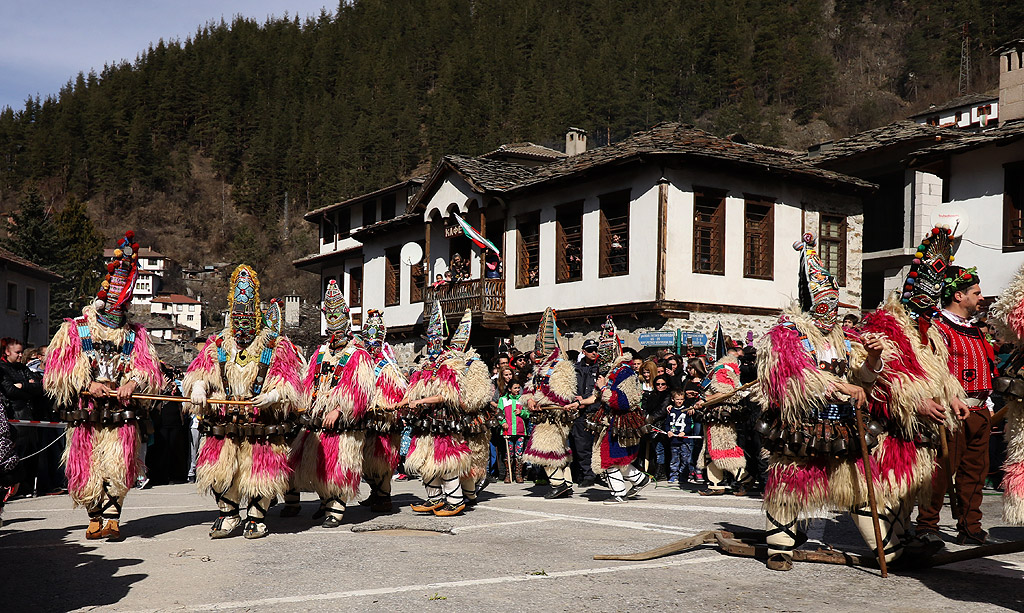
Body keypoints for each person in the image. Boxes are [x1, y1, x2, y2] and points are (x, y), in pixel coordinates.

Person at [756, 233, 884, 571]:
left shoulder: (844, 339)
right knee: (790, 480)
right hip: (800, 422)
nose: (831, 310)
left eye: (834, 302)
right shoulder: (787, 336)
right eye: (825, 302)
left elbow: (862, 381)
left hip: (840, 423)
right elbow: (791, 380)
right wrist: (840, 387)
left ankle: (886, 548)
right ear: (811, 302)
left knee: (855, 484)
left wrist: (871, 361)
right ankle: (780, 546)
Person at [43, 231, 164, 541]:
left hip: (119, 414)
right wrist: (86, 383)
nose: (117, 317)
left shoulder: (136, 334)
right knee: (88, 467)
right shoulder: (74, 330)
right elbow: (56, 370)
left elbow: (149, 368)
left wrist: (134, 382)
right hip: (86, 413)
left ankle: (112, 517)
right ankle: (93, 515)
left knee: (117, 465)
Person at [857, 227, 969, 561]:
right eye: (924, 293)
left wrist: (952, 398)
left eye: (934, 296)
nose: (928, 302)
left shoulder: (931, 332)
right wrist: (914, 400)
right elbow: (879, 377)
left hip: (920, 431)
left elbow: (941, 374)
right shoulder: (884, 325)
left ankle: (902, 538)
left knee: (909, 488)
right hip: (890, 426)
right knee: (886, 487)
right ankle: (887, 545)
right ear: (910, 289)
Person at [184, 265, 304, 539]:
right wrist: (199, 388)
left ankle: (256, 516)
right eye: (238, 320)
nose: (242, 329)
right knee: (219, 473)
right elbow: (199, 373)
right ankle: (228, 515)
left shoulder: (275, 346)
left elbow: (288, 383)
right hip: (225, 425)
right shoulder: (217, 344)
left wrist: (272, 396)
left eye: (247, 319)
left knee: (260, 475)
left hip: (260, 425)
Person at [916, 263, 994, 545]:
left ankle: (970, 526)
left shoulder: (976, 329)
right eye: (976, 292)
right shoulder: (936, 327)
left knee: (975, 474)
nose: (981, 297)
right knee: (940, 472)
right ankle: (927, 527)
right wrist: (947, 397)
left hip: (980, 410)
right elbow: (930, 369)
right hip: (950, 412)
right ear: (959, 296)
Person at [287, 280, 374, 527]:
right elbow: (308, 381)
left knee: (340, 466)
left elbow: (359, 391)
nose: (334, 333)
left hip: (343, 423)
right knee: (314, 466)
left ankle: (336, 507)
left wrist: (338, 408)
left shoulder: (358, 354)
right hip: (317, 419)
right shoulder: (321, 352)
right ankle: (326, 500)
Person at [399, 304, 493, 516]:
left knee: (447, 460)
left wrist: (423, 401)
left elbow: (449, 394)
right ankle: (435, 498)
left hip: (446, 420)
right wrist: (402, 403)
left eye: (436, 339)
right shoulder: (425, 365)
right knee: (424, 461)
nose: (432, 343)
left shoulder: (453, 365)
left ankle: (457, 499)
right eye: (429, 339)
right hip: (425, 422)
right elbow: (413, 390)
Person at [523, 308, 584, 498]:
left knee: (546, 448)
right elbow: (529, 389)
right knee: (557, 449)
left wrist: (542, 400)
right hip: (543, 415)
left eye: (540, 349)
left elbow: (564, 395)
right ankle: (565, 482)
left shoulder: (562, 366)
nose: (537, 353)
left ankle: (558, 483)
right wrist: (530, 400)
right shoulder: (538, 369)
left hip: (556, 415)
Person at [589, 316, 649, 504]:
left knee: (609, 458)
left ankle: (619, 493)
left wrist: (604, 389)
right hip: (610, 421)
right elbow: (601, 396)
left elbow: (623, 402)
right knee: (619, 458)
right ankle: (641, 479)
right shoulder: (611, 372)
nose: (601, 356)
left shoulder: (625, 373)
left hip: (621, 422)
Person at [360, 308, 408, 512]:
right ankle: (375, 492)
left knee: (380, 464)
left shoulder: (388, 368)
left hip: (383, 423)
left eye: (375, 341)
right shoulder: (361, 362)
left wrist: (381, 405)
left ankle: (384, 497)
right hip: (364, 421)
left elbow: (399, 392)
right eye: (367, 341)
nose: (371, 345)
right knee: (365, 465)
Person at [697, 340, 754, 496]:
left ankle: (745, 479)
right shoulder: (720, 370)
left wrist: (705, 400)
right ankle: (715, 484)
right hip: (713, 415)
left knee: (724, 448)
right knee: (710, 450)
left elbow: (727, 393)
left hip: (720, 416)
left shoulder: (722, 370)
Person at [0, 337, 45, 497]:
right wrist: (29, 387)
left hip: (28, 417)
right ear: (7, 352)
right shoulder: (2, 369)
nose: (21, 355)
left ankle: (25, 487)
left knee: (31, 454)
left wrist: (25, 386)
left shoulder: (22, 368)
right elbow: (10, 391)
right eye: (17, 352)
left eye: (21, 352)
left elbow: (41, 386)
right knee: (14, 456)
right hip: (13, 418)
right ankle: (11, 487)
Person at [569, 338, 602, 487]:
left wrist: (585, 400)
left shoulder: (601, 368)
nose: (593, 352)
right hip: (580, 413)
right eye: (590, 350)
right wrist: (576, 400)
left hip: (597, 411)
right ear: (584, 352)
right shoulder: (575, 369)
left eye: (595, 350)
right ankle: (587, 474)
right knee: (581, 445)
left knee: (597, 446)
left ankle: (599, 474)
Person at [664, 389, 699, 487]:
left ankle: (683, 476)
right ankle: (673, 475)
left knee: (685, 459)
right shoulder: (671, 410)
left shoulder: (687, 410)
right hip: (673, 440)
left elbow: (690, 424)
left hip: (684, 440)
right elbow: (667, 424)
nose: (679, 401)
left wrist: (684, 432)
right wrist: (669, 431)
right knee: (674, 459)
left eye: (681, 399)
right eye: (677, 399)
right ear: (672, 399)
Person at [498, 380, 529, 483]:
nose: (517, 390)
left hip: (520, 431)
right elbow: (499, 413)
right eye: (515, 388)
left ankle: (518, 474)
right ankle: (508, 474)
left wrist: (522, 412)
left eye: (518, 388)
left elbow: (528, 414)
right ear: (509, 389)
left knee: (519, 454)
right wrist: (503, 422)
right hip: (508, 431)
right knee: (509, 454)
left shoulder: (522, 400)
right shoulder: (503, 400)